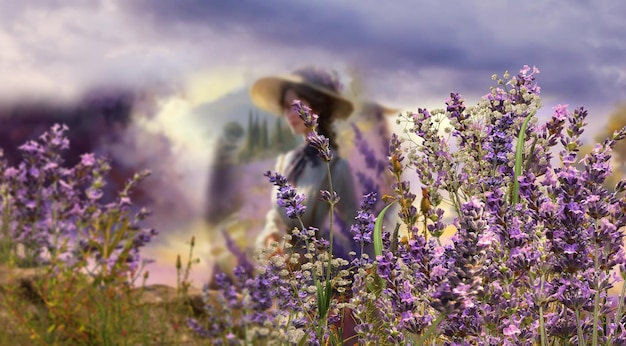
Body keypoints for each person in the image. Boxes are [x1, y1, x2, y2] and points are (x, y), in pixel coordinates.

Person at [250, 66, 360, 262]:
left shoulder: (335, 167)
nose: (290, 115)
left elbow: (354, 229)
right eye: (286, 107)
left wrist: (310, 257)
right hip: (282, 266)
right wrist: (272, 238)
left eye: (296, 106)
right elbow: (275, 214)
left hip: (319, 271)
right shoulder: (286, 162)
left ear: (316, 108)